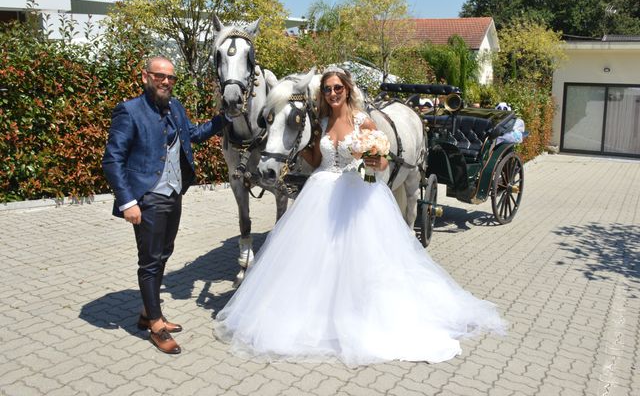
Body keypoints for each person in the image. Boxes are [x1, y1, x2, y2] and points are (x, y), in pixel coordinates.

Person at [214, 66, 506, 365]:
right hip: (322, 190)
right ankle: (316, 313)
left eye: (337, 88)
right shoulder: (321, 123)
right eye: (327, 89)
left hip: (357, 192)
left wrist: (370, 156)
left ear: (347, 90)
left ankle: (358, 312)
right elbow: (316, 162)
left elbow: (380, 166)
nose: (332, 93)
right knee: (315, 258)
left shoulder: (362, 121)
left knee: (361, 257)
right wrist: (298, 150)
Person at [103, 56, 226, 354]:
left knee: (163, 254)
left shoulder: (176, 107)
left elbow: (192, 135)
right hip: (146, 198)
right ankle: (155, 324)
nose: (166, 82)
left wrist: (224, 119)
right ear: (145, 76)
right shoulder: (129, 111)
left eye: (171, 77)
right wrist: (128, 201)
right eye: (160, 76)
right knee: (149, 260)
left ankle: (147, 312)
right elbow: (112, 160)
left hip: (173, 194)